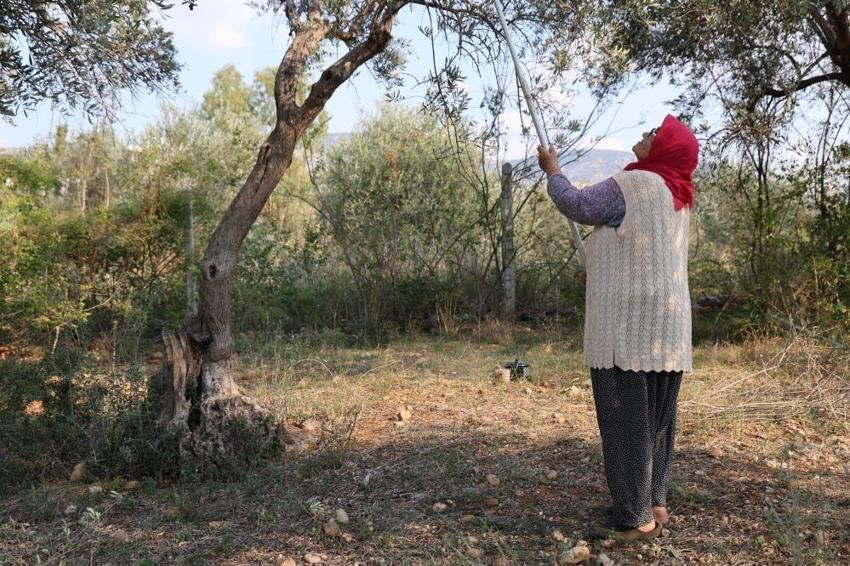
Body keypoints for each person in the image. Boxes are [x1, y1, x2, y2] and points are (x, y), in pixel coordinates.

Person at [537, 114, 699, 542]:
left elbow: (579, 205)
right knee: (656, 421)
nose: (645, 134)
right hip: (667, 328)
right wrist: (603, 262)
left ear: (665, 148)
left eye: (654, 133)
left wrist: (553, 172)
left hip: (628, 327)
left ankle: (633, 518)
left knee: (626, 419)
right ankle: (654, 503)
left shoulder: (637, 184)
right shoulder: (678, 193)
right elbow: (639, 247)